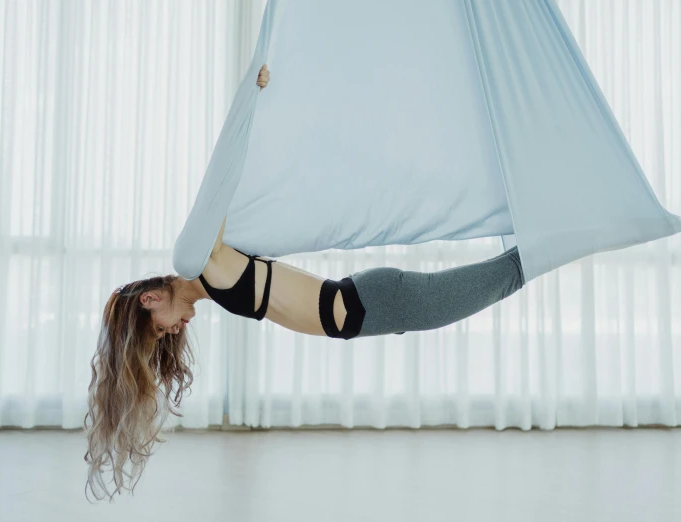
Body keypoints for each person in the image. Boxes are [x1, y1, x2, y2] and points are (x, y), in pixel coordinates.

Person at [83, 64, 525, 502]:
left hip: (370, 302)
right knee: (503, 278)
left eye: (160, 325)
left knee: (507, 277)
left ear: (150, 297)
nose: (175, 329)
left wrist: (247, 101)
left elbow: (220, 182)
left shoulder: (198, 259)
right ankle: (545, 241)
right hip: (367, 307)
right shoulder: (208, 274)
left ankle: (553, 238)